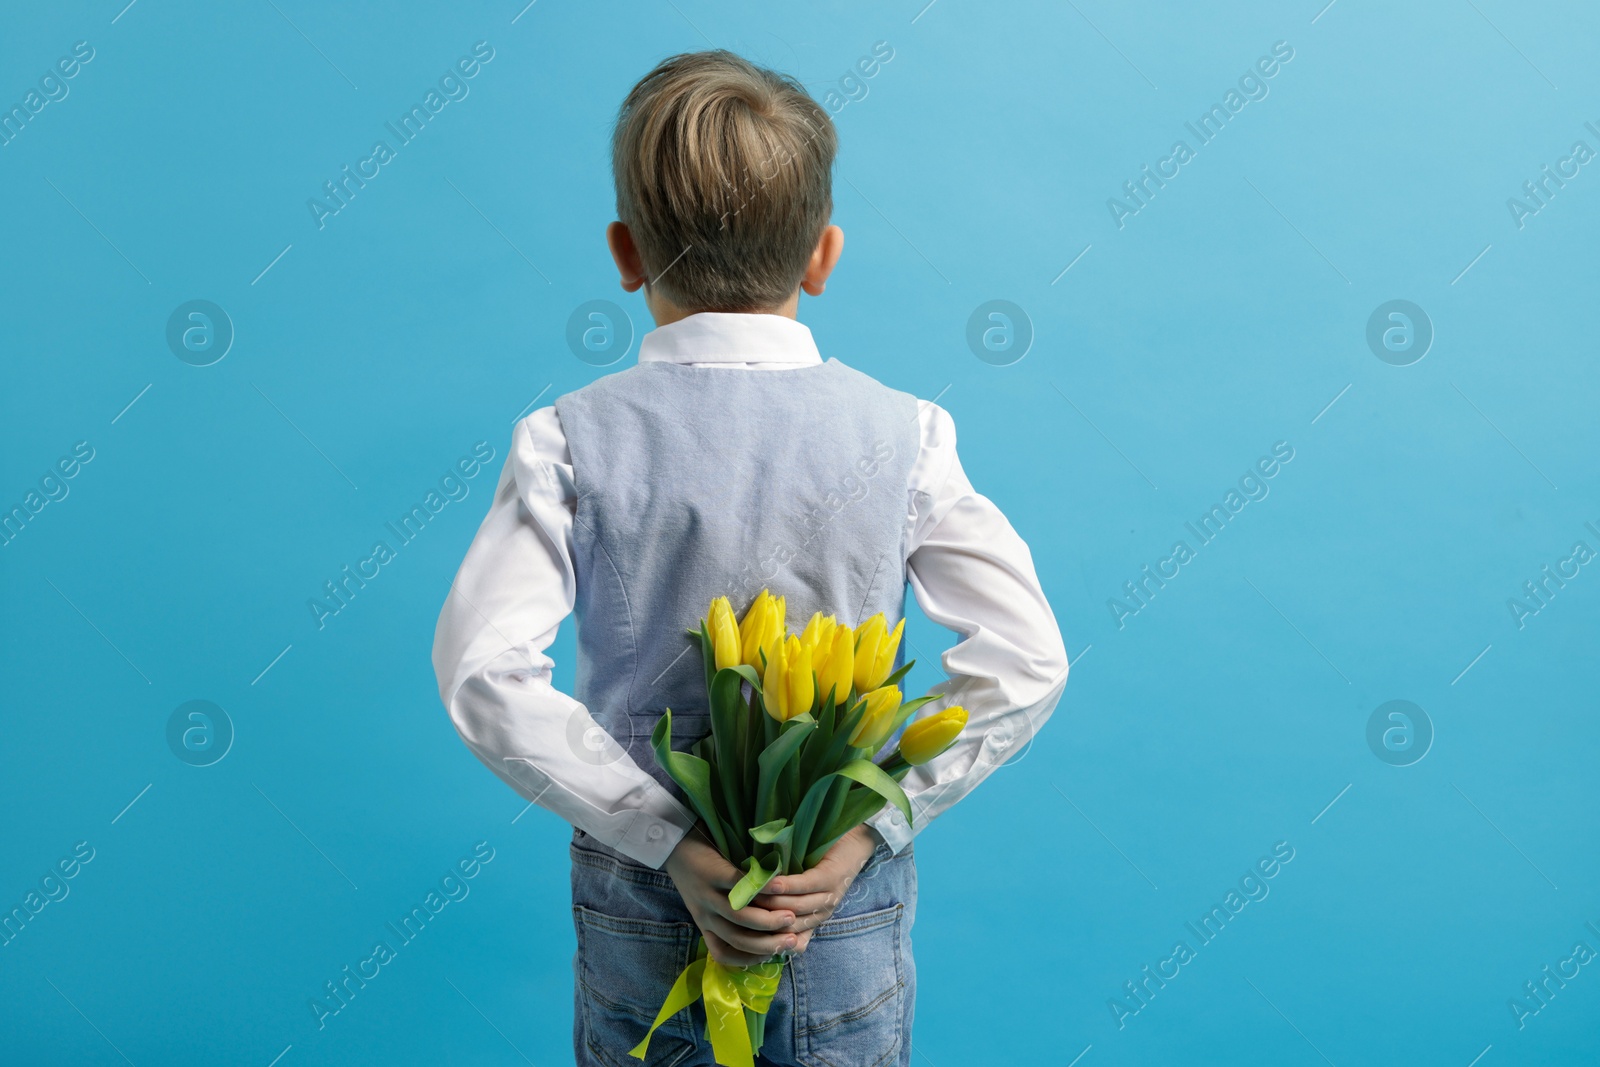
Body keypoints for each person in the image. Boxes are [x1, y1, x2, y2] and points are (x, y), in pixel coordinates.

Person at [431, 49, 1069, 1067]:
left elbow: (480, 672)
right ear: (824, 255)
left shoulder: (566, 436)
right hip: (837, 898)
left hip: (647, 896)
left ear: (625, 252)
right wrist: (867, 825)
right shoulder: (907, 433)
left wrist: (663, 838)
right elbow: (1029, 656)